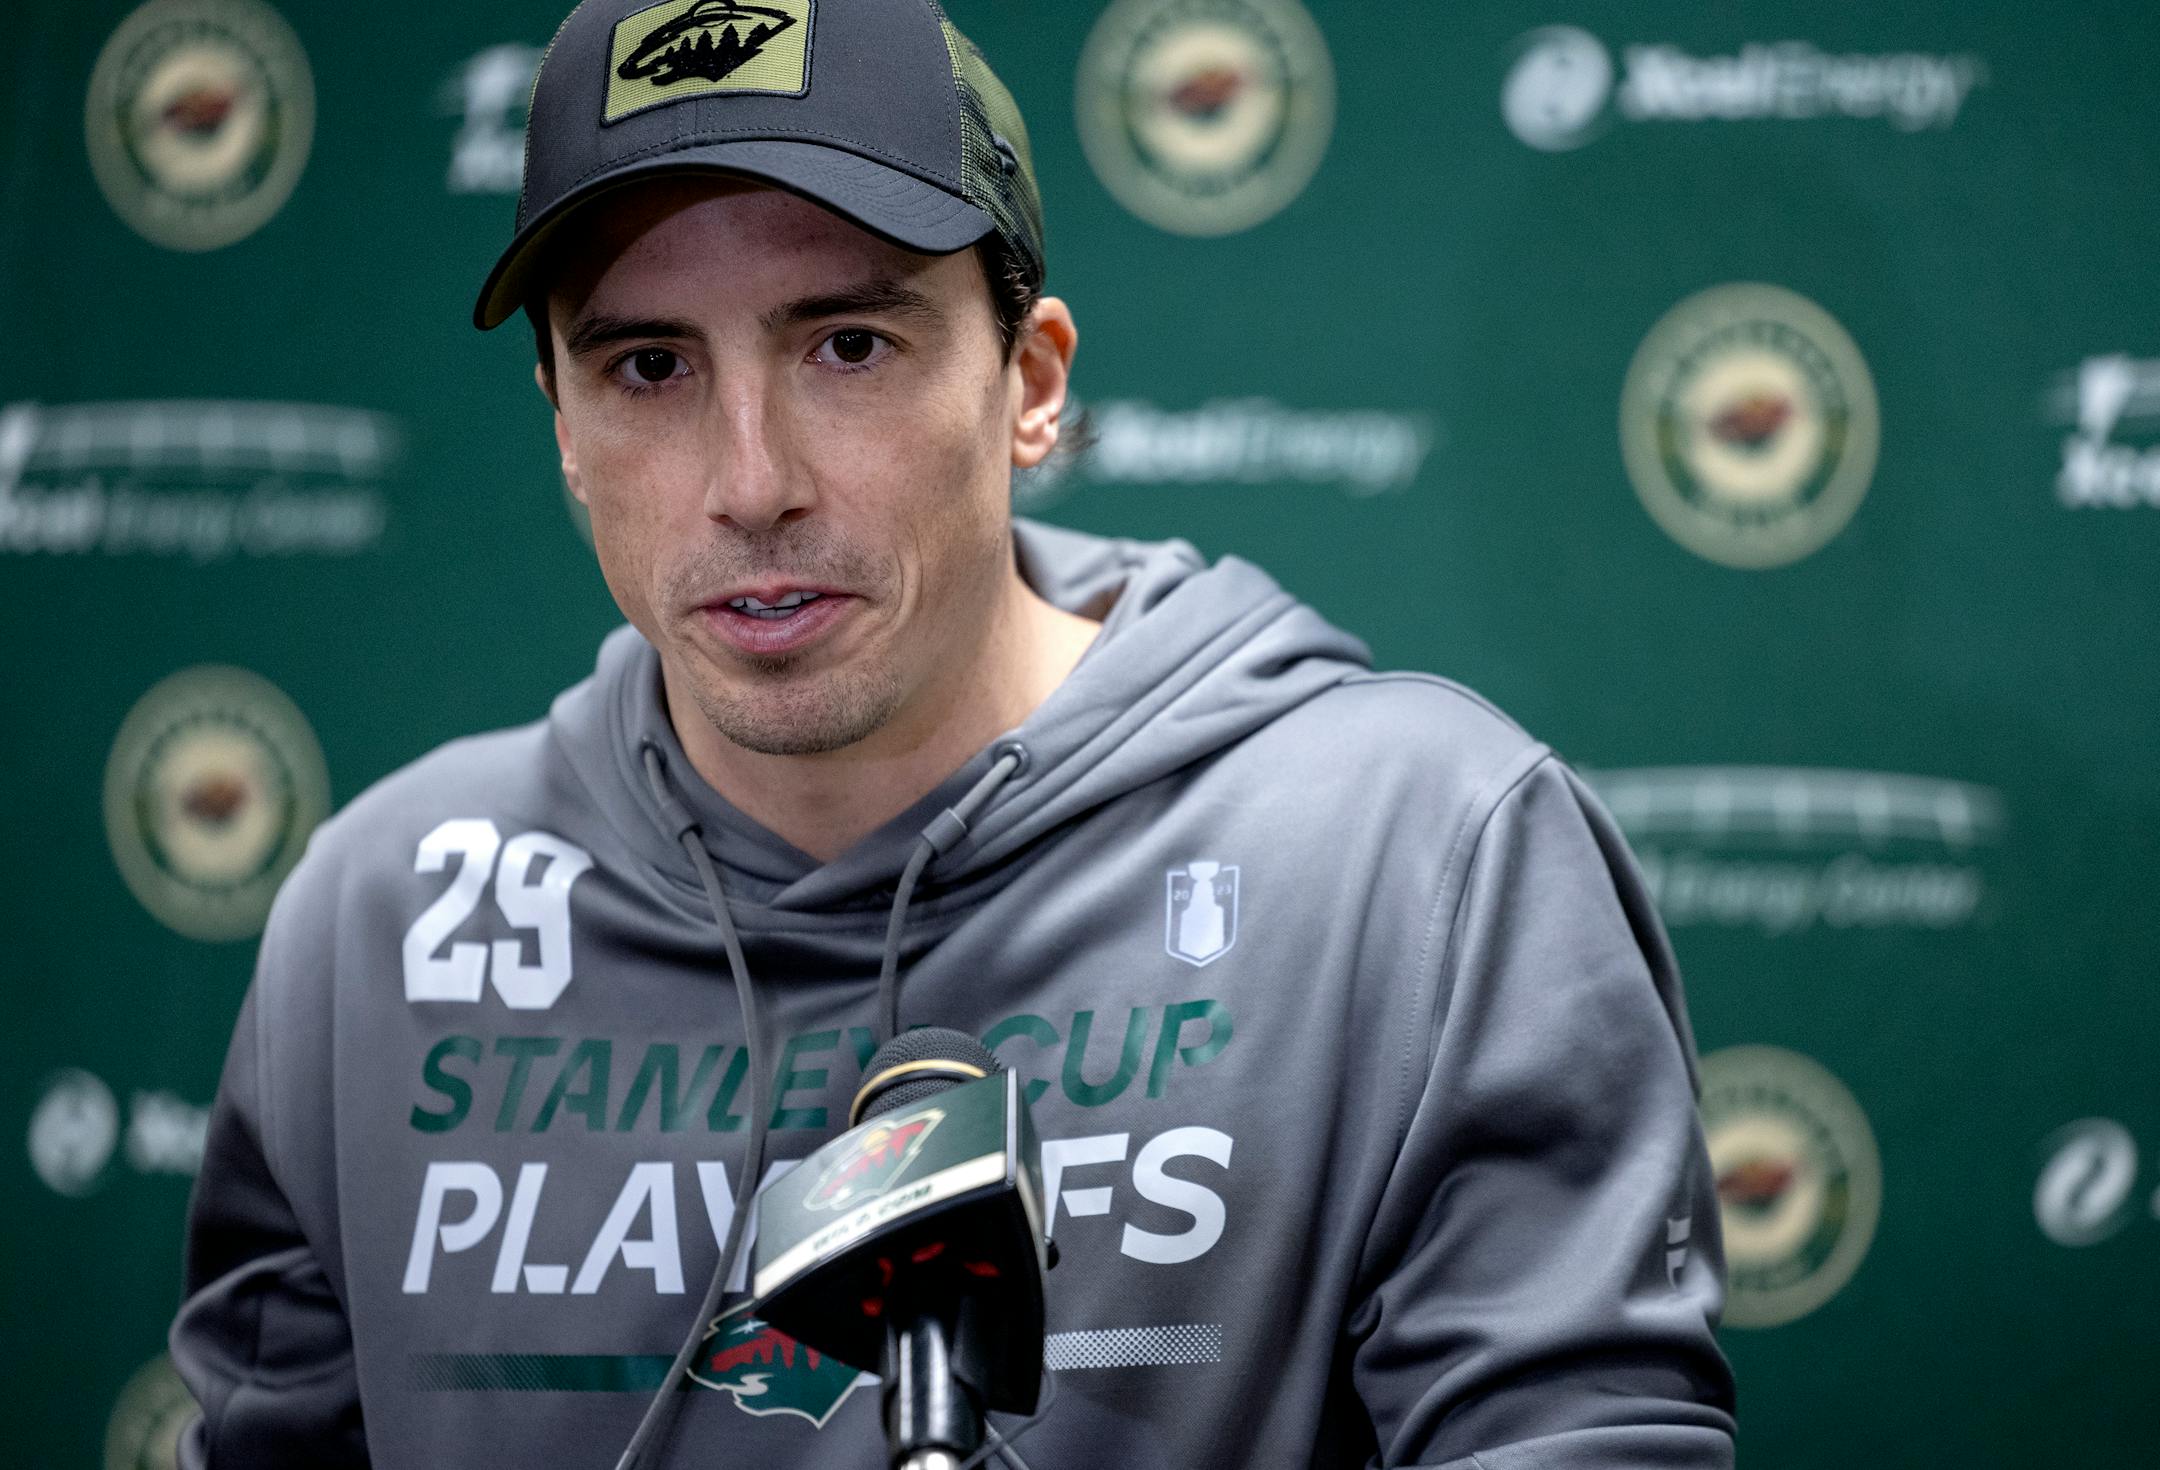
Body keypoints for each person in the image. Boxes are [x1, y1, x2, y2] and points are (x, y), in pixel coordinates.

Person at [170, 1, 1737, 1466]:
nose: (750, 479)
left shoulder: (1423, 864)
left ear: (1032, 385)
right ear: (567, 432)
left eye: (847, 345)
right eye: (648, 367)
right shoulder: (376, 922)